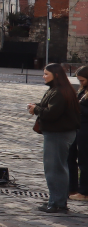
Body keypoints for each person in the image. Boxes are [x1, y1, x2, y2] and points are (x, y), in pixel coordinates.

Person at [27, 62, 81, 213]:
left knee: (55, 168)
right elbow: (50, 107)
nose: (43, 77)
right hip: (57, 132)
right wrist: (37, 106)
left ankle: (58, 203)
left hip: (59, 133)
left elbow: (52, 113)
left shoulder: (59, 92)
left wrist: (36, 109)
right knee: (56, 167)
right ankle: (55, 200)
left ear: (56, 75)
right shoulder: (56, 90)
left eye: (46, 74)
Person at [70, 66, 88, 201]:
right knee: (75, 159)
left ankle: (84, 192)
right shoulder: (83, 91)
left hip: (85, 129)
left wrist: (77, 106)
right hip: (79, 127)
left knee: (84, 161)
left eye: (82, 80)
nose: (80, 83)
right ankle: (76, 188)